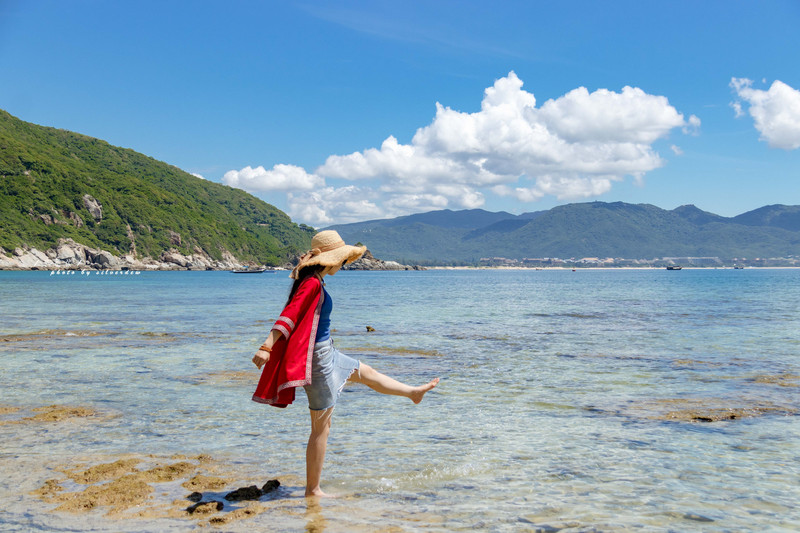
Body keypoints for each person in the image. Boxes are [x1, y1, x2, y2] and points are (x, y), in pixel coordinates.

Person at [251, 230, 439, 498]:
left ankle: (412, 392)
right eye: (342, 260)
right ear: (330, 259)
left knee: (366, 372)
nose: (344, 264)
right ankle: (313, 490)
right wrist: (266, 345)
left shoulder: (316, 281)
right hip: (319, 361)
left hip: (328, 352)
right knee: (321, 427)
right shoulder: (312, 284)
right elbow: (290, 313)